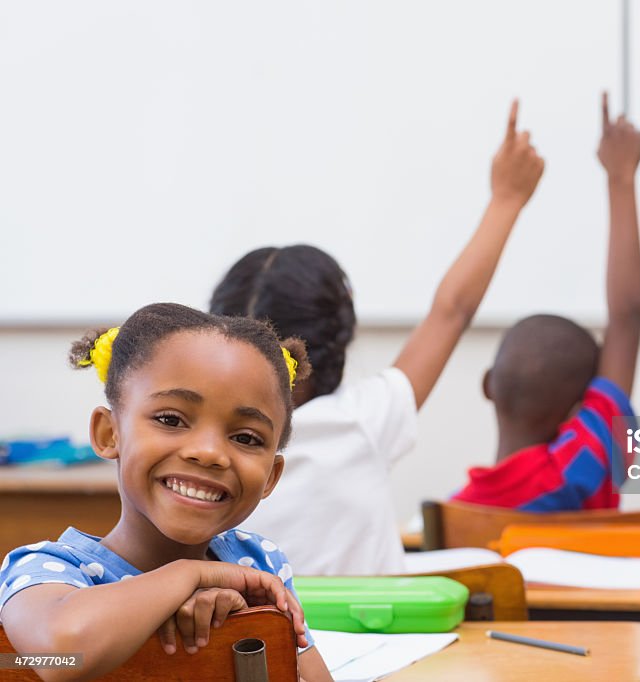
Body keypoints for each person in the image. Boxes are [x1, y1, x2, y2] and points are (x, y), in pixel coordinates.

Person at [209, 100, 544, 575]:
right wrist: (506, 198)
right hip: (376, 642)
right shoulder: (360, 420)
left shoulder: (200, 450)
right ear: (338, 333)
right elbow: (452, 310)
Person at [0, 303, 332, 681]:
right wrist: (190, 576)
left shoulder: (256, 563)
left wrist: (242, 625)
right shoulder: (45, 570)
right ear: (110, 434)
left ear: (271, 476)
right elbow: (61, 656)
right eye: (170, 419)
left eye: (245, 437)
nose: (208, 453)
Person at [452, 93, 640, 510]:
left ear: (488, 386)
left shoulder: (457, 511)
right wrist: (621, 177)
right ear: (580, 411)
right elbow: (627, 318)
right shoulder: (584, 463)